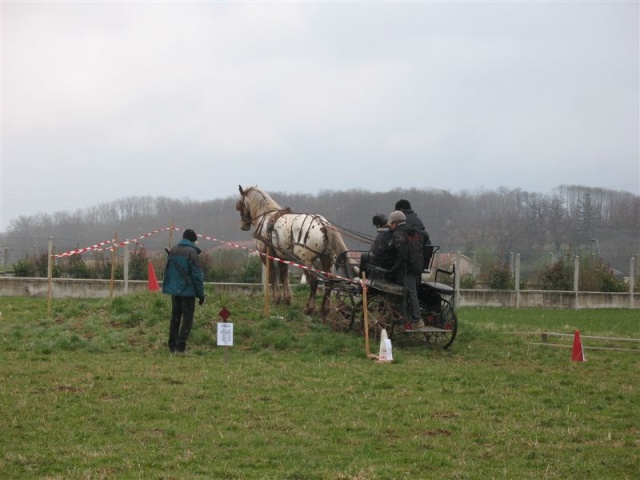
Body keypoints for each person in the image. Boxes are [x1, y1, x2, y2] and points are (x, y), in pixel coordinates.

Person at [162, 228, 206, 353]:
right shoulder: (192, 253)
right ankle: (180, 347)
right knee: (187, 319)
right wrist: (201, 295)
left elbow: (168, 272)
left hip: (174, 292)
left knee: (175, 318)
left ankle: (172, 345)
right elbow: (197, 276)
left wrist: (169, 288)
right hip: (187, 292)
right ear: (193, 240)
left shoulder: (173, 250)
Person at [386, 210, 426, 330]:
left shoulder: (398, 234)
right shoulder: (415, 231)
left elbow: (402, 254)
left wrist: (394, 268)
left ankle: (417, 320)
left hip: (407, 268)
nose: (391, 227)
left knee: (411, 292)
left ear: (396, 223)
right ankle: (409, 315)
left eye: (391, 224)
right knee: (412, 291)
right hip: (418, 266)